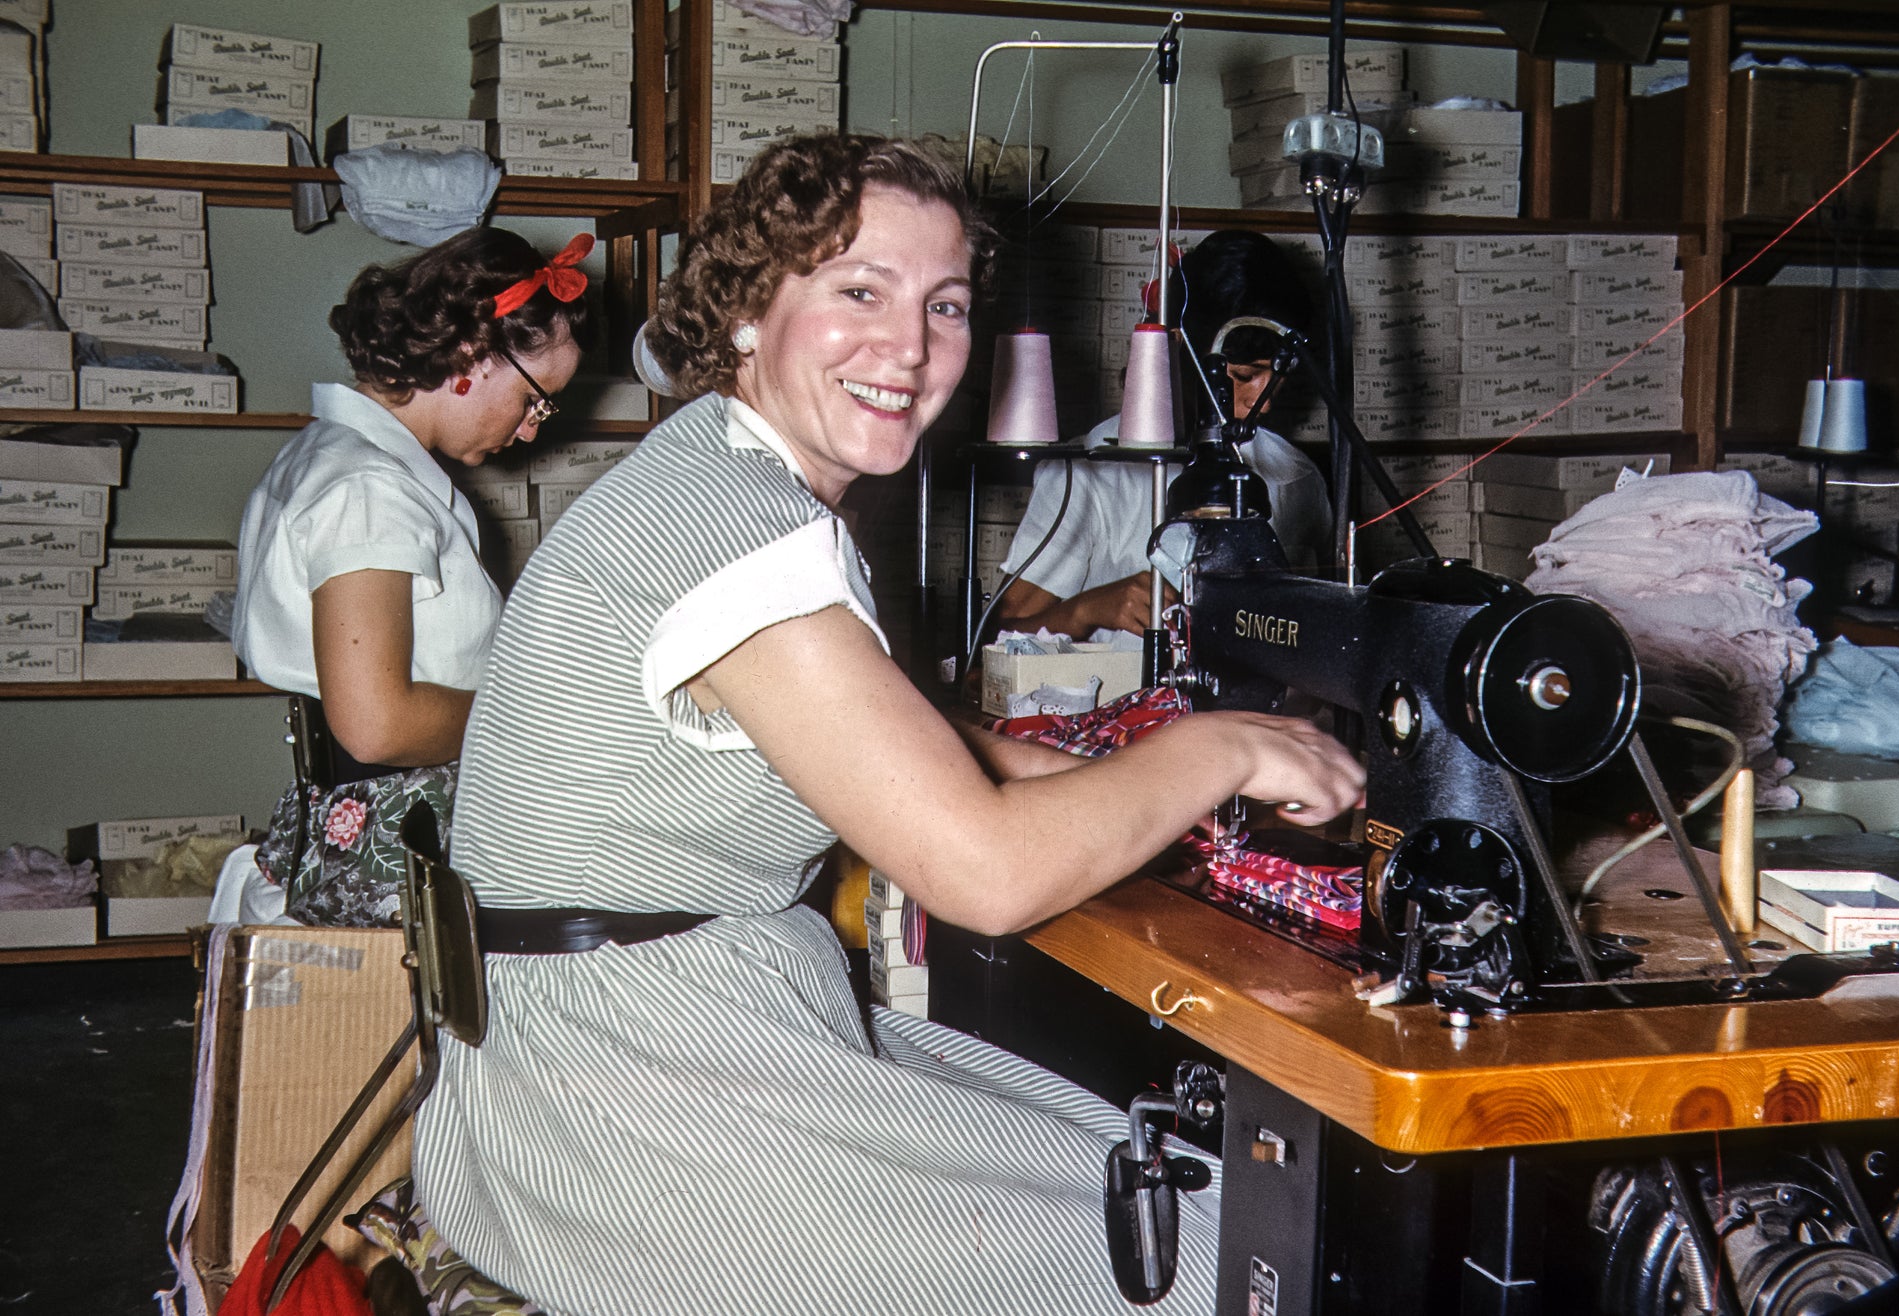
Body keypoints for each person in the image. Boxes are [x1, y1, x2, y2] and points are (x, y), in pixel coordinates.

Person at [412, 133, 1364, 1315]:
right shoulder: (744, 536)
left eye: (944, 306)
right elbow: (987, 873)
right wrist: (1222, 747)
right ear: (747, 311)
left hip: (620, 1032)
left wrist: (1091, 776)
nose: (909, 346)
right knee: (1219, 1254)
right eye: (860, 291)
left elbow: (873, 741)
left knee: (1144, 1154)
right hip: (625, 1099)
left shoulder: (710, 466)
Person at [230, 227, 590, 926]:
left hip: (365, 812)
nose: (530, 430)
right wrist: (535, 714)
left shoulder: (337, 455)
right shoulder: (368, 489)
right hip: (396, 835)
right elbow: (377, 723)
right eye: (535, 401)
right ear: (474, 356)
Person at [995, 230, 1331, 637]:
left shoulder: (1296, 477)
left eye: (1276, 381)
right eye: (1244, 376)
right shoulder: (1086, 473)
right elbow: (1001, 635)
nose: (1263, 405)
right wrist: (1086, 610)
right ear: (1181, 348)